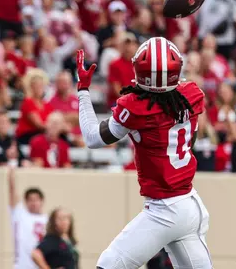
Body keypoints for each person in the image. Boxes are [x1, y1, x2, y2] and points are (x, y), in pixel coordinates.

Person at [76, 37, 211, 269]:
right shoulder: (192, 93)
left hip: (163, 210)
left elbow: (92, 137)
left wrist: (83, 90)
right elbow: (192, 139)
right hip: (191, 206)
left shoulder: (136, 107)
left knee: (108, 265)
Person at [7, 167, 47, 269]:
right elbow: (12, 194)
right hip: (21, 265)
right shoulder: (20, 215)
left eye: (36, 200)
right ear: (26, 202)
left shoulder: (47, 220)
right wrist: (11, 178)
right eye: (30, 200)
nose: (34, 203)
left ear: (42, 201)